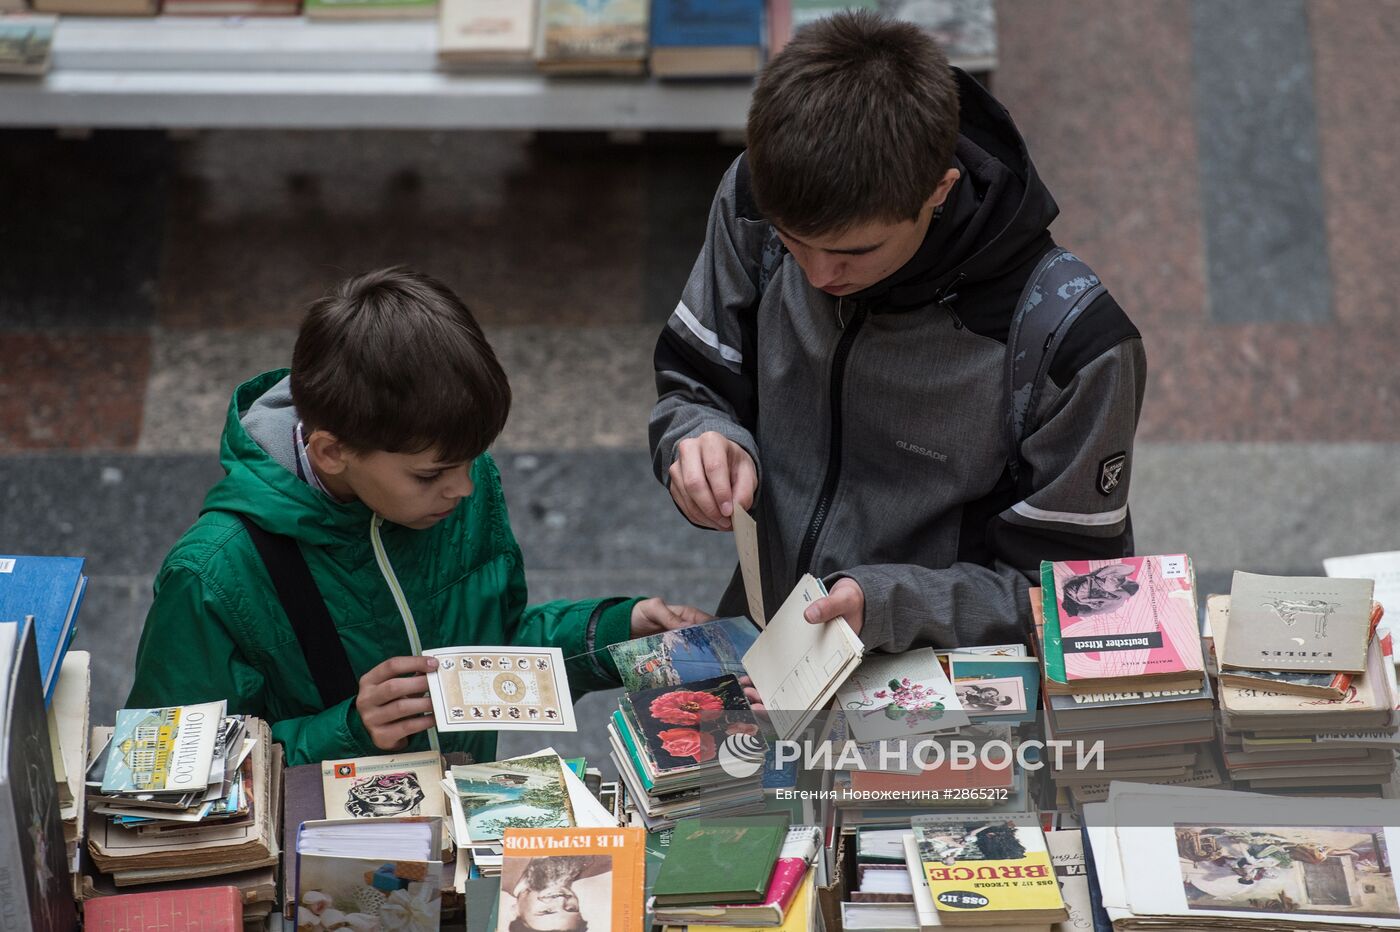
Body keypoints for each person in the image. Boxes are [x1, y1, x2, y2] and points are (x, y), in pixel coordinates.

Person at [650, 11, 1146, 652]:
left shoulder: (1072, 348)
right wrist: (699, 438)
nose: (821, 273)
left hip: (955, 694)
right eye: (795, 243)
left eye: (856, 251)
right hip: (776, 639)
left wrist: (890, 605)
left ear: (940, 190)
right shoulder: (754, 203)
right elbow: (691, 384)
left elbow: (1074, 595)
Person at [128, 267, 708, 765]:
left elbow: (491, 653)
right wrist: (347, 730)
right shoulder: (212, 576)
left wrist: (616, 633)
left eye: (471, 459)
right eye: (430, 474)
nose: (463, 488)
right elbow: (165, 771)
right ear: (332, 451)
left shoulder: (455, 484)